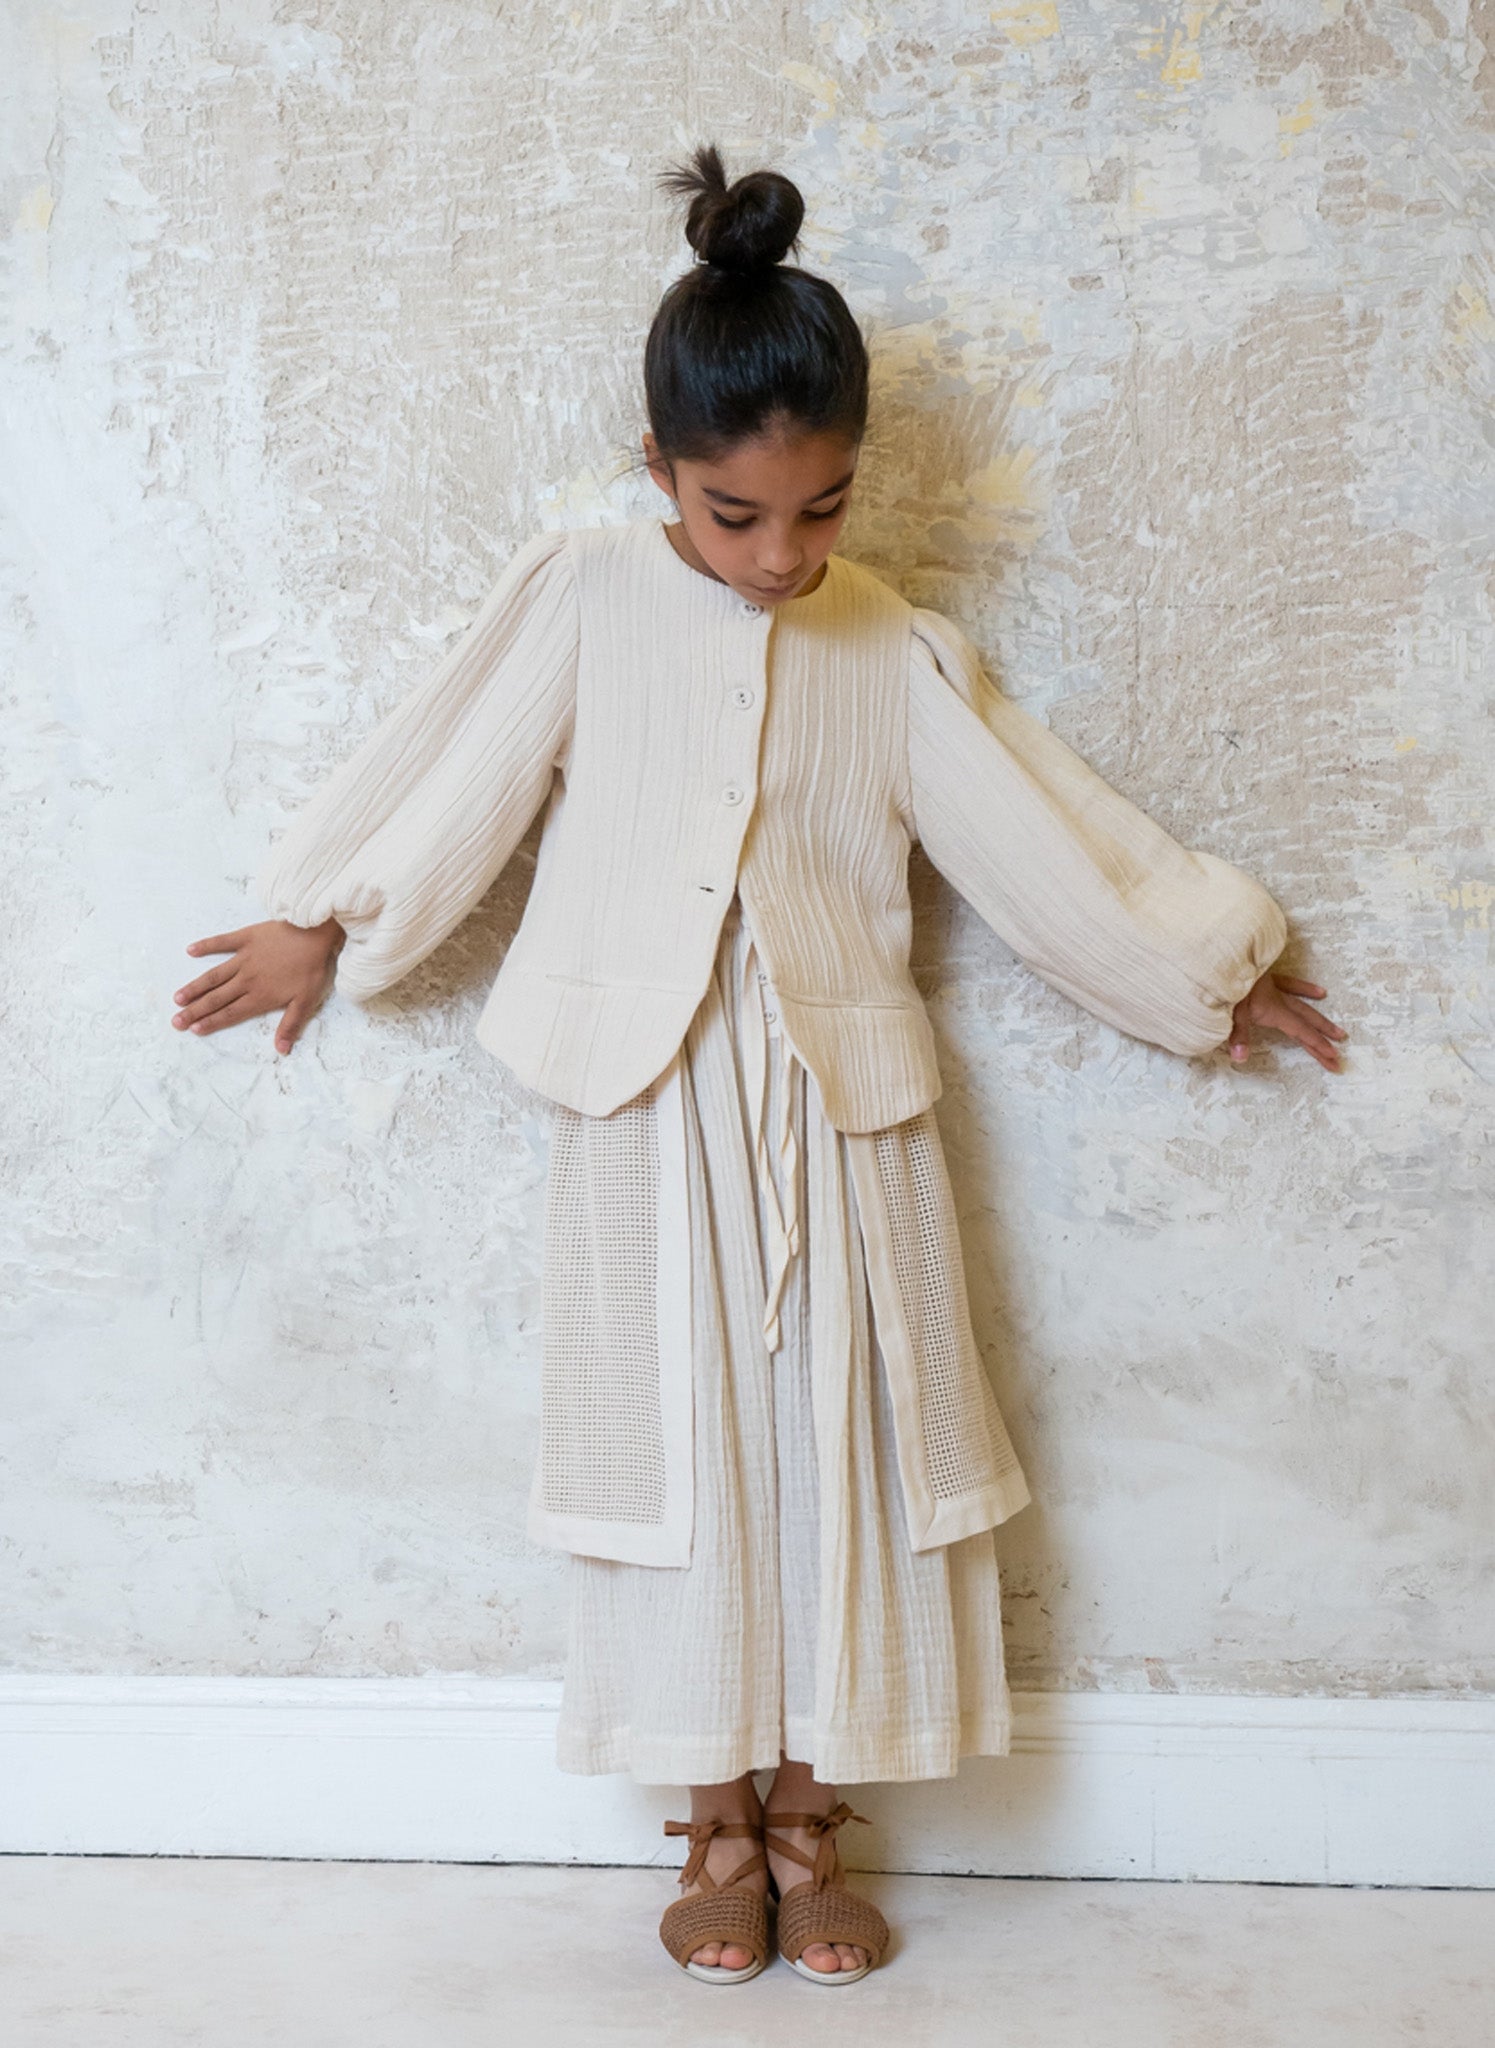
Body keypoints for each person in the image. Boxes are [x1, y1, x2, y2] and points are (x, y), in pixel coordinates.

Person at [170, 142, 1346, 1987]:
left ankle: (814, 1814)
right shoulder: (584, 594)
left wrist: (1198, 971)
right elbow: (462, 765)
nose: (783, 555)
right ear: (658, 469)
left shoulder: (889, 641)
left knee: (848, 1452)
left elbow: (1036, 839)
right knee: (680, 1455)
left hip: (845, 1105)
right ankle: (711, 1814)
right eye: (736, 517)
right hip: (642, 1095)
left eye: (821, 511)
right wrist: (328, 915)